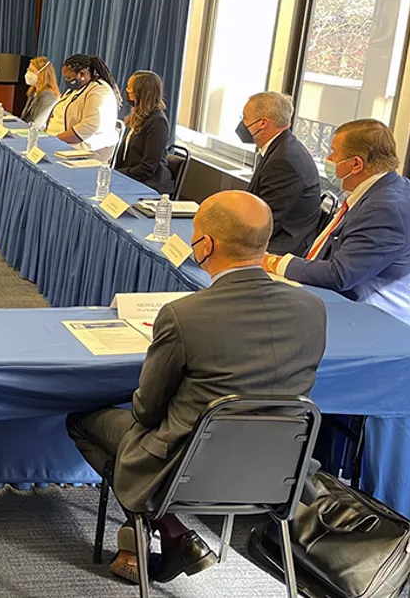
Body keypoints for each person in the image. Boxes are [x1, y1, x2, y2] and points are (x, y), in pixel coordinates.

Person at [67, 190, 325, 585]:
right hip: (275, 470)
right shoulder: (312, 309)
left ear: (205, 245)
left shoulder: (183, 316)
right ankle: (172, 535)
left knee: (83, 421)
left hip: (187, 466)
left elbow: (146, 411)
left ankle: (163, 526)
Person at [265, 119, 410, 332]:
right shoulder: (382, 190)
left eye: (334, 152)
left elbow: (340, 275)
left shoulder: (387, 209)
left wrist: (273, 262)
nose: (328, 158)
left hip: (383, 326)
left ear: (356, 164)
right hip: (349, 303)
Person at [238, 92, 320, 256]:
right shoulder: (281, 148)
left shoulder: (284, 161)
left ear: (262, 123)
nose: (242, 123)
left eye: (245, 117)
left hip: (281, 247)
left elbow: (267, 219)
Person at [45, 54, 121, 161]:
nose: (67, 81)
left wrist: (53, 140)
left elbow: (87, 127)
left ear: (83, 74)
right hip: (62, 142)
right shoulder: (76, 89)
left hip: (86, 150)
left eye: (69, 78)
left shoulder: (100, 91)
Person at [117, 71, 173, 195]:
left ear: (141, 92)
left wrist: (118, 175)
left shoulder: (158, 121)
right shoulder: (138, 117)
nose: (127, 91)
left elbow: (148, 168)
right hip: (129, 179)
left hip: (148, 185)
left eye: (130, 88)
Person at [20, 56, 60, 129]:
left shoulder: (48, 95)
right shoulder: (33, 91)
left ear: (42, 73)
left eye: (32, 71)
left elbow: (38, 123)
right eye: (28, 70)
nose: (28, 73)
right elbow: (24, 117)